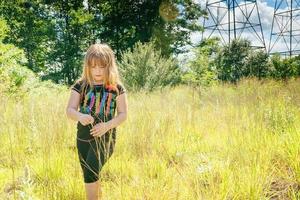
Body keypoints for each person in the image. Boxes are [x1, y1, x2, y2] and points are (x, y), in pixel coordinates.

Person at [66, 43, 128, 200]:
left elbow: (123, 114)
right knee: (91, 174)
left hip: (106, 138)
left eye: (102, 67)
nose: (98, 71)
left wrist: (107, 125)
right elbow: (70, 110)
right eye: (93, 67)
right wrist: (80, 116)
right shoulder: (81, 86)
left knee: (90, 172)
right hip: (82, 138)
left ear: (109, 66)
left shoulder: (116, 88)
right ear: (87, 67)